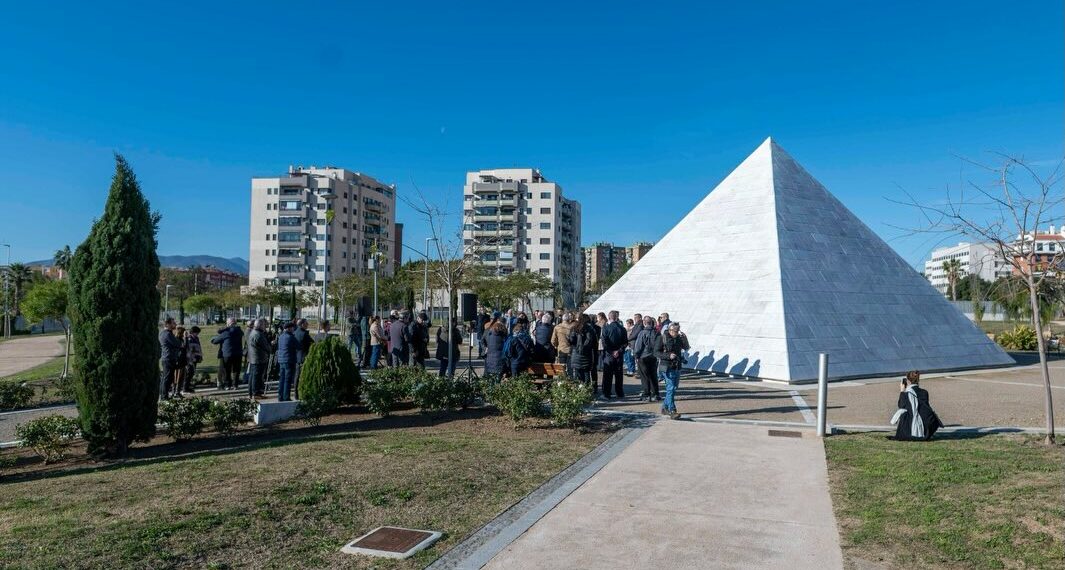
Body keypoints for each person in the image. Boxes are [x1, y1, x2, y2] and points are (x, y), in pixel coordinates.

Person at [891, 371, 943, 441]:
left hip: (910, 426)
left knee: (903, 412)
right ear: (918, 380)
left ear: (908, 381)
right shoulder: (924, 392)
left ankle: (913, 433)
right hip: (925, 423)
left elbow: (901, 405)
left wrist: (902, 391)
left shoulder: (906, 393)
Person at [655, 322, 689, 419]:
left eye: (678, 330)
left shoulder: (678, 338)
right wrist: (668, 355)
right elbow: (656, 352)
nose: (677, 332)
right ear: (670, 330)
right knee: (671, 388)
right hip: (667, 366)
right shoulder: (662, 338)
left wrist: (685, 338)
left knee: (674, 388)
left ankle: (664, 408)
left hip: (677, 366)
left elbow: (686, 347)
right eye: (675, 331)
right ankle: (672, 410)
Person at [211, 318, 244, 391]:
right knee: (236, 370)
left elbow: (215, 341)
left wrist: (214, 337)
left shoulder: (226, 332)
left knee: (227, 370)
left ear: (228, 324)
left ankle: (227, 385)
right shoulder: (239, 331)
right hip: (238, 353)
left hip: (227, 353)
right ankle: (235, 385)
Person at [600, 311, 627, 399]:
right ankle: (619, 392)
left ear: (609, 318)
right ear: (617, 318)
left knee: (608, 375)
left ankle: (607, 393)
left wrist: (611, 351)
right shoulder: (622, 329)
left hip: (609, 354)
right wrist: (618, 351)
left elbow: (604, 343)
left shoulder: (606, 328)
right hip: (619, 354)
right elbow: (625, 342)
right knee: (619, 374)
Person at [633, 316, 660, 402]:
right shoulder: (657, 333)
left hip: (643, 357)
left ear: (644, 323)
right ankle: (656, 394)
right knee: (653, 376)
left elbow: (638, 346)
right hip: (654, 357)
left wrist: (636, 356)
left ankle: (647, 394)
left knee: (645, 377)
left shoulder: (642, 333)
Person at [567, 313, 598, 388]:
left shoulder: (574, 328)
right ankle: (586, 390)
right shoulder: (591, 329)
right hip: (587, 354)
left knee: (578, 373)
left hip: (576, 353)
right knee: (586, 373)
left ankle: (579, 390)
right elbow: (594, 343)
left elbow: (571, 340)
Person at [247, 318, 271, 398]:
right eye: (264, 325)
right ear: (260, 325)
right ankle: (256, 393)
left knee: (253, 375)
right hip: (258, 358)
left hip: (253, 357)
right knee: (257, 376)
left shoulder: (253, 332)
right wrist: (271, 346)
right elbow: (266, 347)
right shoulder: (258, 334)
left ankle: (251, 392)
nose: (265, 327)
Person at [158, 317, 181, 401]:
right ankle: (164, 397)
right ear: (167, 324)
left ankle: (164, 395)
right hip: (168, 358)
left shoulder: (166, 333)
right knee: (167, 378)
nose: (174, 324)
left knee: (167, 378)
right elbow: (178, 344)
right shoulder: (167, 334)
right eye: (173, 323)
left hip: (168, 358)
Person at [276, 321, 298, 401]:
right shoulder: (291, 337)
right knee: (287, 379)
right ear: (289, 328)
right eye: (292, 328)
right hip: (289, 360)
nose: (293, 329)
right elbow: (298, 346)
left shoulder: (281, 336)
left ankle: (280, 396)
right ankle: (286, 397)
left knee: (282, 378)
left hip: (281, 360)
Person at [293, 318, 314, 394]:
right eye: (306, 323)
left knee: (297, 375)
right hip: (304, 356)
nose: (307, 324)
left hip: (297, 356)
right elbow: (312, 343)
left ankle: (296, 392)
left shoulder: (295, 332)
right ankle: (301, 391)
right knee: (302, 375)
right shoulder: (304, 334)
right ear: (302, 324)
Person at [183, 326, 203, 394]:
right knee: (189, 373)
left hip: (195, 358)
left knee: (192, 372)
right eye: (197, 333)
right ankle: (185, 388)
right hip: (190, 358)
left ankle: (187, 387)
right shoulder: (189, 338)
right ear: (193, 332)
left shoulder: (196, 338)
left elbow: (198, 347)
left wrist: (200, 356)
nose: (197, 334)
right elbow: (188, 348)